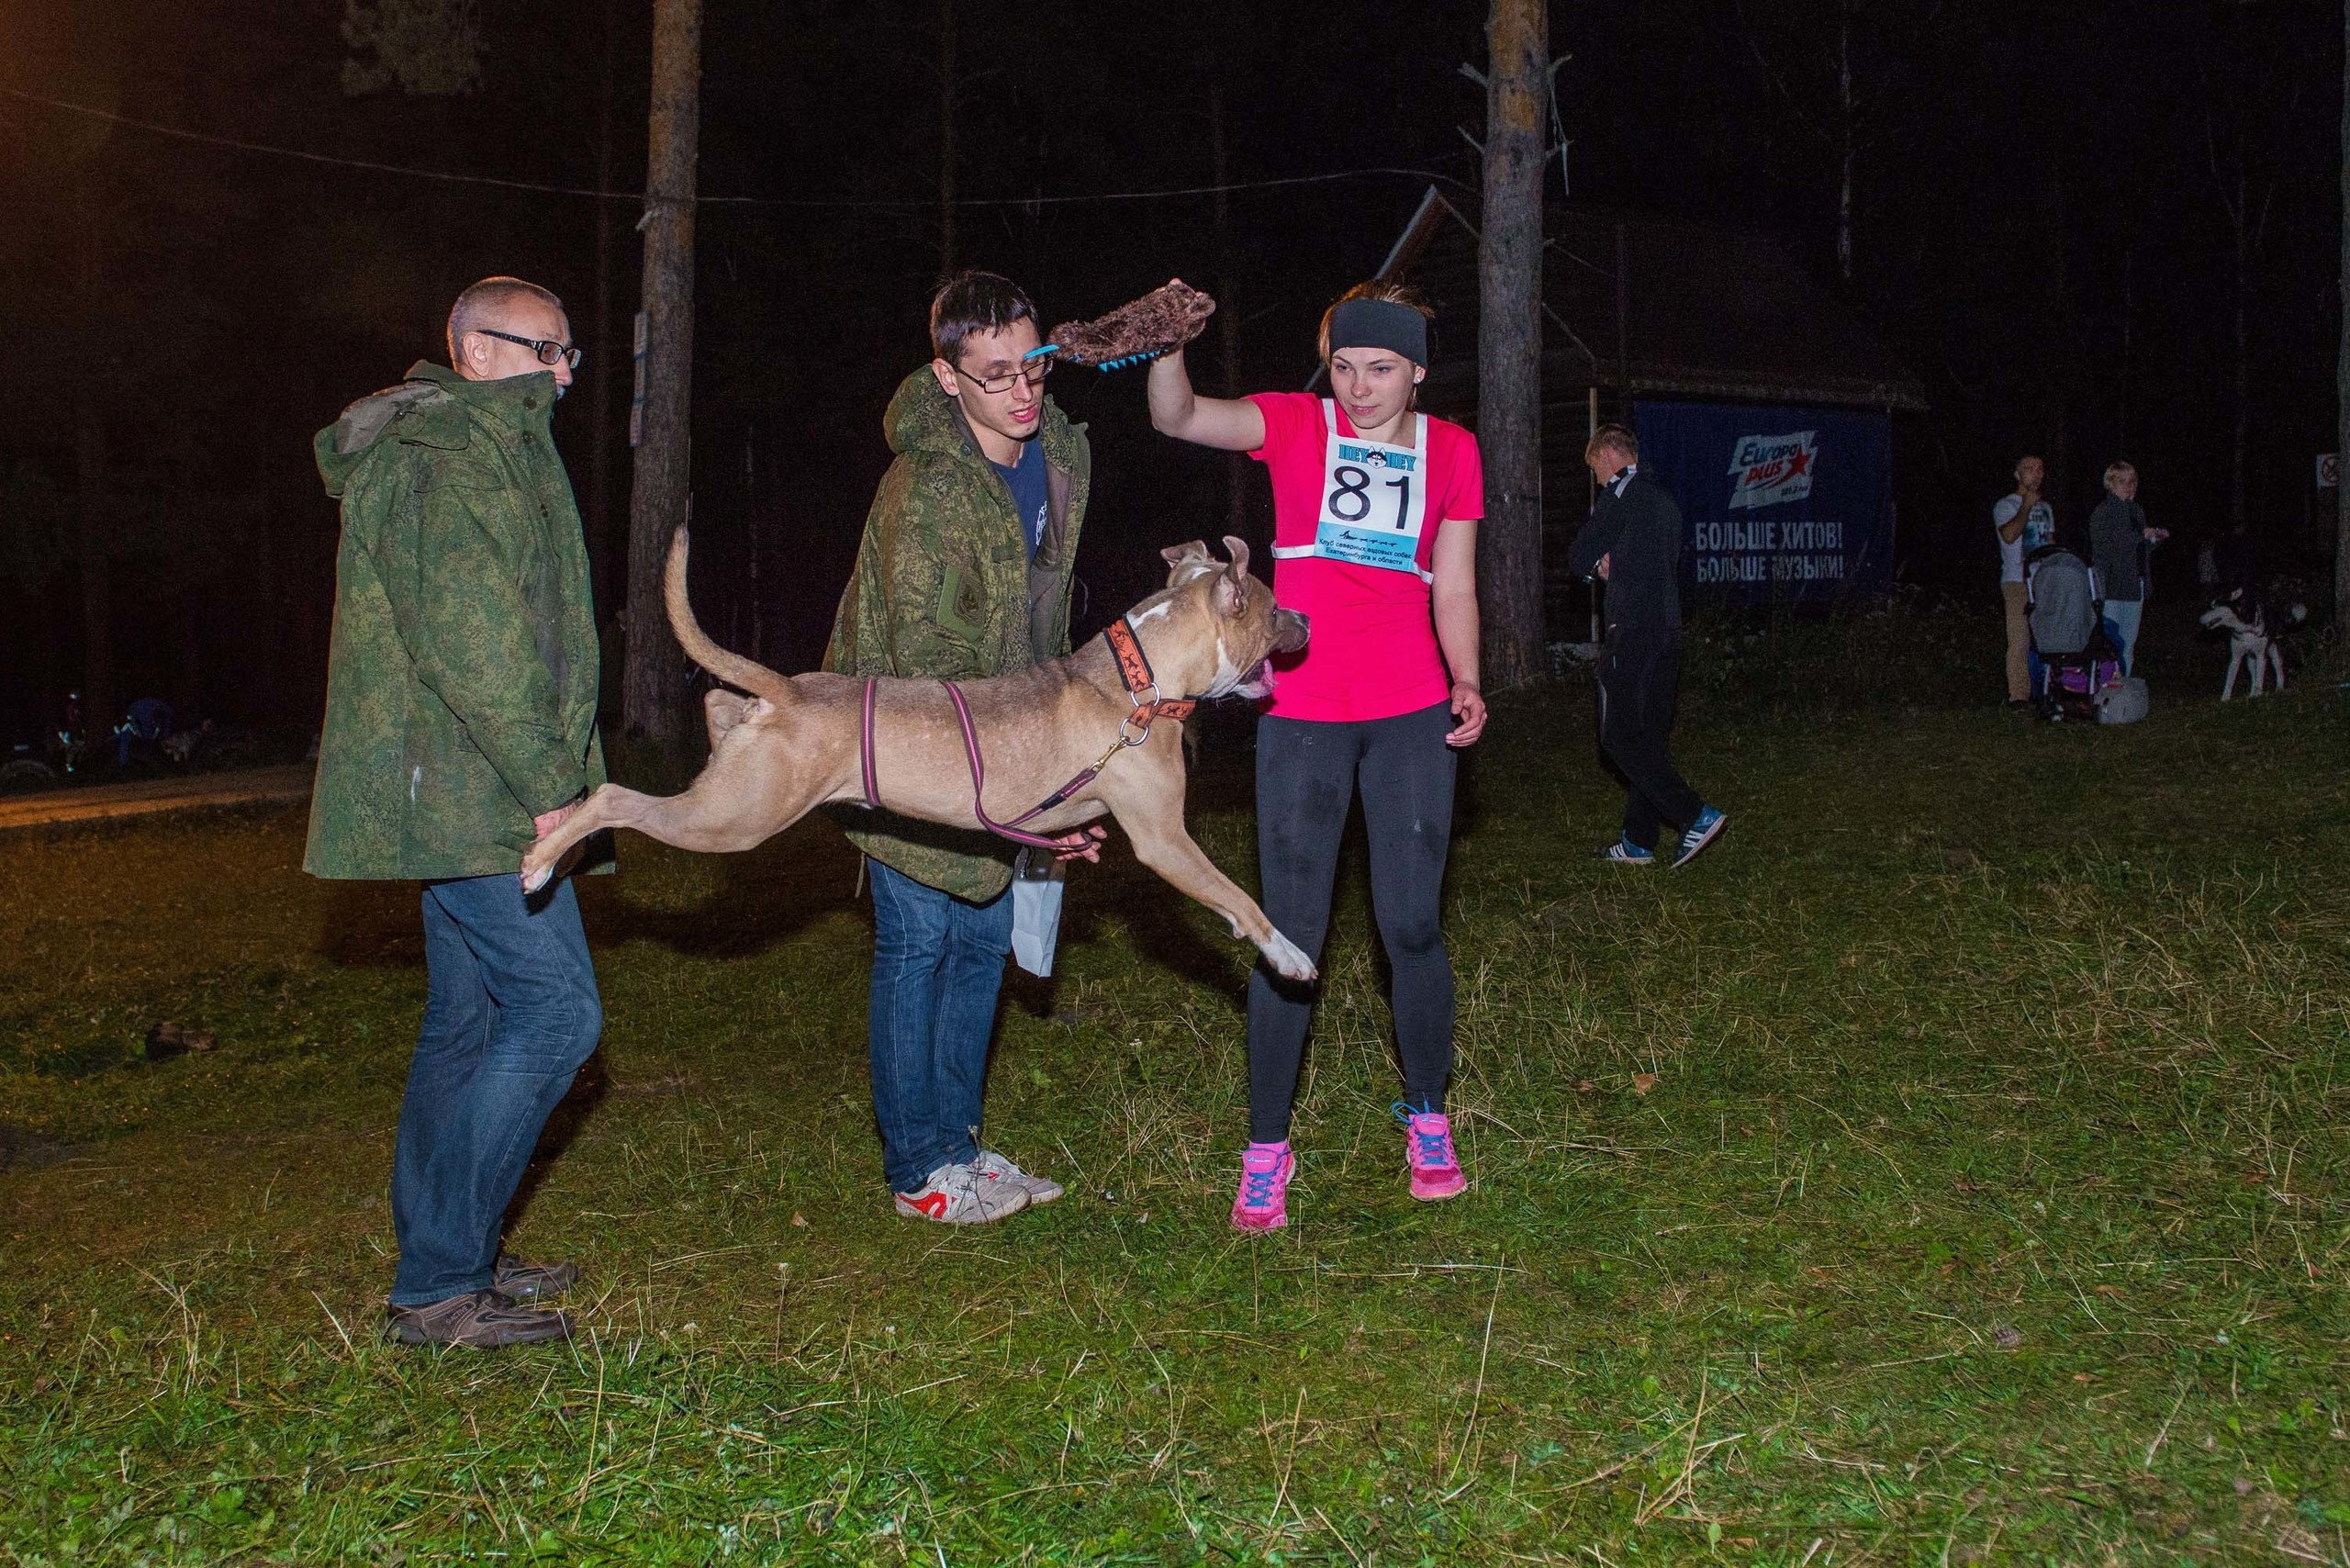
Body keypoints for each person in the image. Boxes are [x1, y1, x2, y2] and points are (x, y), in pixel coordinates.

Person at [1146, 278, 1487, 1231]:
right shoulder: (1295, 424)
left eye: (1380, 369)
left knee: (1410, 924)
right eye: (1343, 366)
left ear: (1417, 370)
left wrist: (1466, 676)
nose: (1359, 386)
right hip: (1302, 710)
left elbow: (1453, 585)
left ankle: (1427, 1113)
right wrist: (1167, 343)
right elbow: (1175, 416)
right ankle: (1265, 1148)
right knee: (1285, 932)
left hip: (1412, 709)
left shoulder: (1454, 451)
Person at [308, 277, 604, 1348]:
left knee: (468, 1020)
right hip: (474, 784)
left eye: (571, 353)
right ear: (479, 351)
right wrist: (551, 788)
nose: (565, 373)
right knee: (560, 1016)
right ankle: (439, 1281)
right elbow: (473, 646)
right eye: (548, 349)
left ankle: (450, 1250)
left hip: (466, 781)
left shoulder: (491, 445)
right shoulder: (443, 457)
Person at [825, 270, 1085, 1226]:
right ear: (946, 378)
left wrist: (1051, 766)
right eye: (993, 375)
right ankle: (916, 1170)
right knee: (919, 942)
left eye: (1034, 367)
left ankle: (959, 1148)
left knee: (979, 944)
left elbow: (1040, 624)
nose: (1022, 392)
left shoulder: (1050, 452)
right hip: (908, 743)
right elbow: (932, 669)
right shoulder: (926, 492)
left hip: (1005, 744)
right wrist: (1022, 794)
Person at [1568, 424, 1727, 870]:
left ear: (1607, 456)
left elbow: (1580, 555)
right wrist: (1615, 570)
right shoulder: (1665, 498)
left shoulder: (1621, 492)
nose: (1597, 479)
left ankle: (1694, 814)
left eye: (1595, 468)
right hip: (1669, 634)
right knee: (1648, 739)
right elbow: (1649, 564)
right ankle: (1639, 840)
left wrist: (1596, 568)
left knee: (1617, 735)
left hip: (1632, 632)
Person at [2088, 461, 2165, 676]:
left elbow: (2138, 551)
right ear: (2110, 483)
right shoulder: (2103, 511)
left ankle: (2122, 691)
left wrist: (2153, 540)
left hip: (2136, 586)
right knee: (2110, 642)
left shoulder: (2136, 511)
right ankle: (2104, 690)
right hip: (2112, 587)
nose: (2128, 486)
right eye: (2121, 481)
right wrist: (2141, 536)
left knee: (2129, 644)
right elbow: (2109, 547)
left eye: (2132, 481)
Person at [1993, 455, 2056, 708]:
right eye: (2029, 469)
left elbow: (2050, 542)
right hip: (2016, 581)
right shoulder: (2005, 505)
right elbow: (2008, 535)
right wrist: (2026, 506)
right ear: (2018, 475)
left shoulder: (2047, 508)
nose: (2036, 473)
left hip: (2043, 580)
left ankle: (2047, 688)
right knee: (2019, 640)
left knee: (2047, 638)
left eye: (2040, 469)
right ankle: (2019, 696)